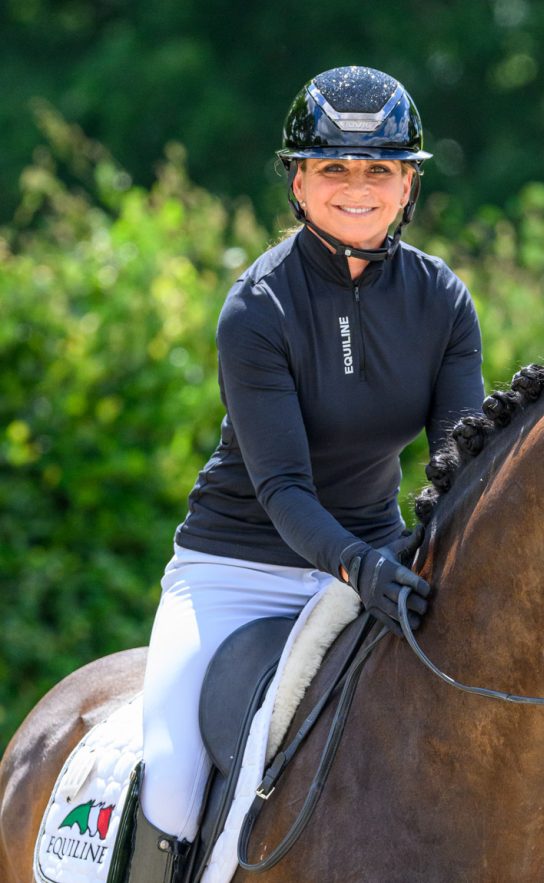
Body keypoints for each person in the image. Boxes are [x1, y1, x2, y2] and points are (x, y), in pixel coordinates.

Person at [129, 65, 485, 881]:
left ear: (407, 187)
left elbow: (459, 464)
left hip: (371, 569)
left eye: (378, 170)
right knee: (176, 782)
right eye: (333, 168)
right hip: (234, 571)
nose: (355, 188)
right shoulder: (258, 307)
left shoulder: (443, 301)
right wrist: (368, 566)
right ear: (299, 180)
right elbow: (282, 487)